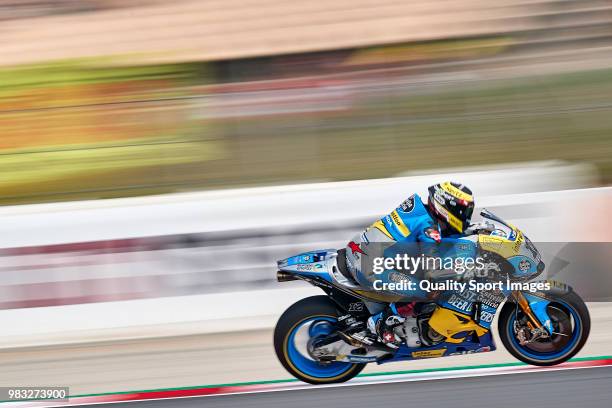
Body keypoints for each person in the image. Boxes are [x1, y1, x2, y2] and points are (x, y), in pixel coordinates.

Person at [342, 181, 476, 348]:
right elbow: (432, 272)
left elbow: (442, 237)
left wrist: (474, 232)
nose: (466, 217)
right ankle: (381, 322)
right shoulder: (429, 229)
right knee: (431, 289)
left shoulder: (423, 212)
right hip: (369, 265)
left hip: (363, 251)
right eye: (463, 212)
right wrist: (461, 273)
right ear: (447, 207)